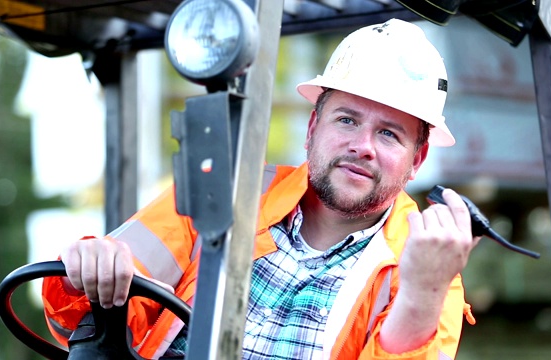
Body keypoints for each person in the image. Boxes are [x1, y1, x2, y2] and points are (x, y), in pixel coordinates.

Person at [42, 18, 479, 360]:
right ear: (313, 127)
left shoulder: (425, 274)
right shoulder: (226, 192)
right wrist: (89, 272)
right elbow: (80, 327)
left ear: (416, 160)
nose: (361, 146)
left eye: (389, 134)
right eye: (346, 120)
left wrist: (422, 293)